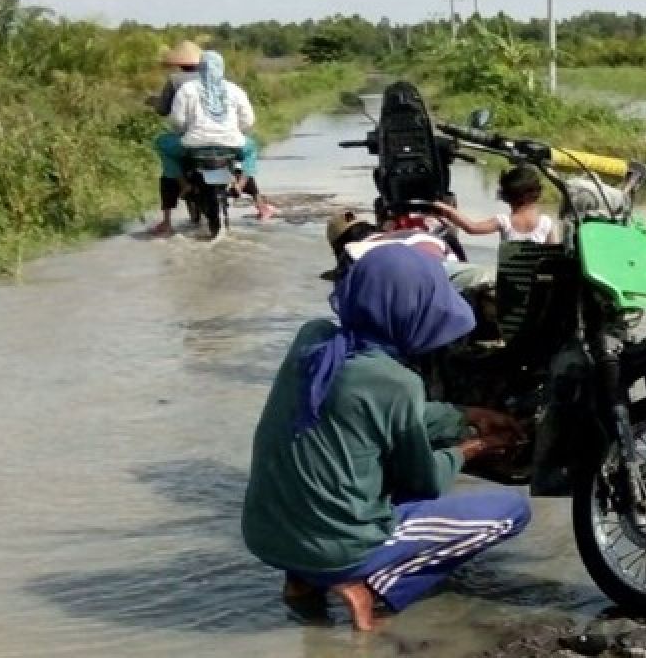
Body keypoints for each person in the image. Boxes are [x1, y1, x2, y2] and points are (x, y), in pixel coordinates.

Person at [242, 245, 530, 630]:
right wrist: (474, 448)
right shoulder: (398, 382)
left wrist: (464, 416)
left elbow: (373, 415)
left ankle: (301, 583)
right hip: (337, 550)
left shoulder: (312, 340)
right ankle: (372, 586)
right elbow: (424, 480)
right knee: (511, 511)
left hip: (265, 536)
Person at [149, 50, 275, 236]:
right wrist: (233, 130)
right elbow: (248, 121)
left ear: (201, 68)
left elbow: (176, 121)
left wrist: (187, 130)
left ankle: (183, 184)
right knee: (251, 148)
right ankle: (240, 184)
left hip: (193, 145)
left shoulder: (187, 89)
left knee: (162, 144)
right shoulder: (234, 89)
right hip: (231, 145)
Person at [433, 165, 556, 244]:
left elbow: (472, 227)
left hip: (506, 282)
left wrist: (445, 208)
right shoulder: (546, 223)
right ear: (537, 194)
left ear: (507, 196)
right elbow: (554, 257)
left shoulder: (504, 221)